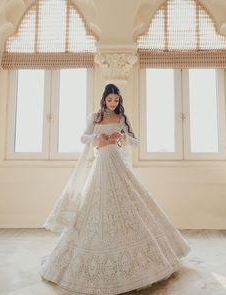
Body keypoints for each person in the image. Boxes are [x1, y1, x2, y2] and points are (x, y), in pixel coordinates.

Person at [40, 83, 191, 294]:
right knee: (96, 207)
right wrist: (97, 137)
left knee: (132, 205)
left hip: (118, 164)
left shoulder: (121, 119)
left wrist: (122, 137)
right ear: (104, 99)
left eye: (116, 100)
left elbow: (135, 142)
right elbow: (82, 138)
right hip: (101, 164)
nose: (113, 103)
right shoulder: (94, 117)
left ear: (119, 101)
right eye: (110, 99)